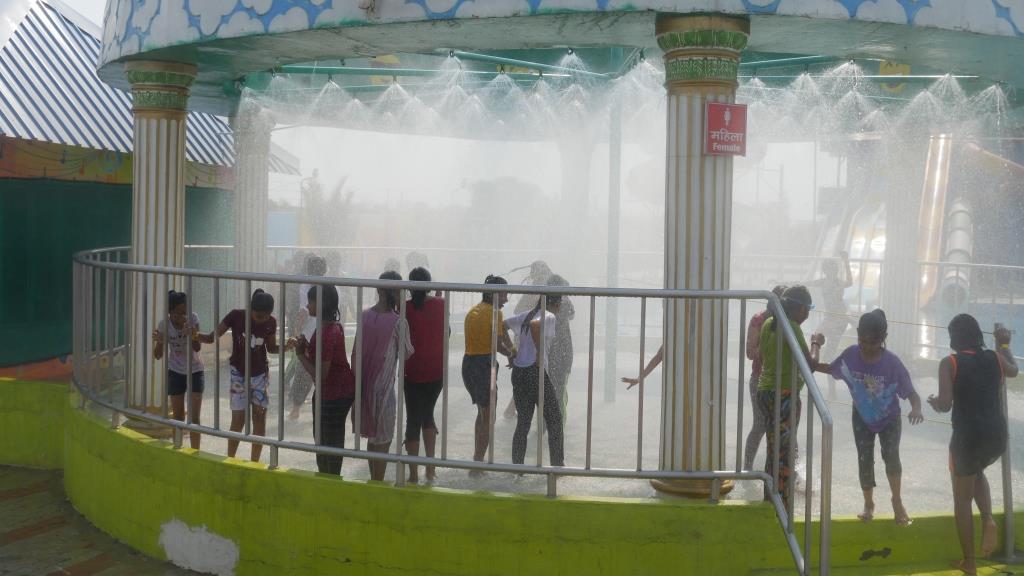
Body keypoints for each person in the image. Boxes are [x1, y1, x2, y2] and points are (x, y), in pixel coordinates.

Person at [928, 314, 1018, 575]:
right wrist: (1004, 345)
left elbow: (946, 404)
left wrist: (935, 402)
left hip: (967, 439)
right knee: (977, 470)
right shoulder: (995, 357)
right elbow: (1014, 370)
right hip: (995, 437)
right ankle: (988, 518)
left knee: (962, 500)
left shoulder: (950, 363)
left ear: (954, 338)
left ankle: (969, 562)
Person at [821, 309, 923, 525]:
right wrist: (812, 352)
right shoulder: (850, 355)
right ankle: (868, 503)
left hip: (889, 419)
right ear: (857, 334)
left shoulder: (892, 363)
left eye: (873, 342)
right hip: (861, 417)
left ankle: (897, 501)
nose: (867, 347)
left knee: (891, 456)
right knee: (864, 459)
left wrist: (916, 408)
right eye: (863, 341)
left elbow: (911, 393)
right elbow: (830, 368)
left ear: (883, 338)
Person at [757, 285, 827, 512]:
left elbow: (761, 356)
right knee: (785, 453)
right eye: (808, 309)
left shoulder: (769, 323)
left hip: (765, 392)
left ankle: (770, 499)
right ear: (800, 308)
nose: (807, 314)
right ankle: (783, 506)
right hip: (784, 395)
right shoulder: (792, 327)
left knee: (773, 449)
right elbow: (811, 364)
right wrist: (816, 343)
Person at [200, 289, 280, 462]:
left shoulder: (271, 322)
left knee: (259, 419)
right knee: (238, 419)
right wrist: (193, 334)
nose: (261, 320)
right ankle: (230, 459)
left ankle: (254, 462)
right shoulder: (236, 316)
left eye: (265, 317)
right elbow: (211, 337)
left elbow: (272, 348)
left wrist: (288, 346)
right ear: (250, 309)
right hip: (239, 374)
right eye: (258, 316)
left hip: (260, 375)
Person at [290, 285, 355, 476]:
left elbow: (321, 374)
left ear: (322, 303)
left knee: (328, 441)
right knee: (325, 439)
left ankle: (330, 477)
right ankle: (328, 476)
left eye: (310, 301)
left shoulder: (327, 332)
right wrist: (307, 348)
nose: (307, 305)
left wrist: (301, 355)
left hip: (334, 394)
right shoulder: (331, 327)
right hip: (335, 391)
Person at [355, 271, 413, 481]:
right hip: (385, 389)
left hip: (364, 387)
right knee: (383, 438)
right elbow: (406, 352)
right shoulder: (399, 322)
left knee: (372, 437)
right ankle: (377, 483)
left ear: (378, 289)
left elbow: (356, 351)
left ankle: (374, 481)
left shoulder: (364, 316)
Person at [462, 275, 516, 476]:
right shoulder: (495, 313)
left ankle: (477, 459)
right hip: (485, 366)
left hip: (468, 364)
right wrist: (511, 354)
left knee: (482, 413)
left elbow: (500, 336)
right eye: (504, 294)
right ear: (495, 294)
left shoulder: (474, 311)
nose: (506, 299)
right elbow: (498, 344)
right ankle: (477, 466)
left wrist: (510, 350)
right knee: (490, 417)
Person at [505, 288, 564, 467]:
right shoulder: (549, 315)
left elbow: (501, 325)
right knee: (554, 419)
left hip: (519, 372)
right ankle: (557, 466)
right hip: (534, 371)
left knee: (523, 422)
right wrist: (539, 352)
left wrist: (511, 351)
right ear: (556, 304)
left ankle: (518, 467)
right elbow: (535, 325)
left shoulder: (526, 314)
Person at [403, 267, 446, 484]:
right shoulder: (442, 304)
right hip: (436, 371)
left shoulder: (405, 308)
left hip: (412, 370)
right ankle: (430, 468)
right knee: (428, 414)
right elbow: (446, 332)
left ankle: (413, 475)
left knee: (413, 419)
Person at [742, 285, 788, 470]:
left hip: (783, 381)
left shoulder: (788, 320)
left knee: (785, 426)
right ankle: (747, 467)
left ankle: (791, 470)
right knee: (760, 424)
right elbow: (749, 353)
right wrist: (768, 345)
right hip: (760, 380)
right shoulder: (759, 320)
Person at [153, 290, 204, 449]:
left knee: (194, 419)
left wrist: (193, 334)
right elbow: (157, 356)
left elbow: (197, 347)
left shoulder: (193, 318)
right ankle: (178, 448)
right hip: (175, 371)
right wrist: (160, 342)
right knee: (178, 417)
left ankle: (195, 452)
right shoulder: (164, 325)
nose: (183, 316)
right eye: (178, 313)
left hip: (195, 370)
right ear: (170, 312)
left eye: (185, 312)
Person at [504, 260, 553, 420]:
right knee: (532, 375)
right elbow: (519, 310)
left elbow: (518, 311)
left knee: (528, 375)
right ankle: (517, 411)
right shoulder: (537, 290)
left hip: (527, 338)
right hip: (529, 339)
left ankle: (514, 410)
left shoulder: (535, 289)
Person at [287, 254, 327, 420]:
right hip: (323, 333)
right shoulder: (330, 285)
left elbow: (304, 310)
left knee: (304, 371)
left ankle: (296, 409)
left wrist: (296, 330)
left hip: (312, 334)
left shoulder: (306, 285)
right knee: (318, 372)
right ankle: (303, 408)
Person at [807, 252, 853, 368]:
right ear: (825, 271)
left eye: (832, 270)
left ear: (835, 271)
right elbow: (805, 283)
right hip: (830, 318)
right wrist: (783, 283)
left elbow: (850, 282)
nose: (830, 272)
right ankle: (821, 365)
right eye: (827, 270)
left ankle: (827, 368)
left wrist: (846, 261)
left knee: (829, 349)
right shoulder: (823, 282)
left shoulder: (839, 282)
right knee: (818, 338)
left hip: (840, 319)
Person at [547, 275, 575, 423]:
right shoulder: (564, 303)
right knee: (559, 391)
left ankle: (549, 424)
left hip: (553, 354)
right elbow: (571, 314)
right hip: (561, 354)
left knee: (551, 391)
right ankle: (557, 425)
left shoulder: (546, 304)